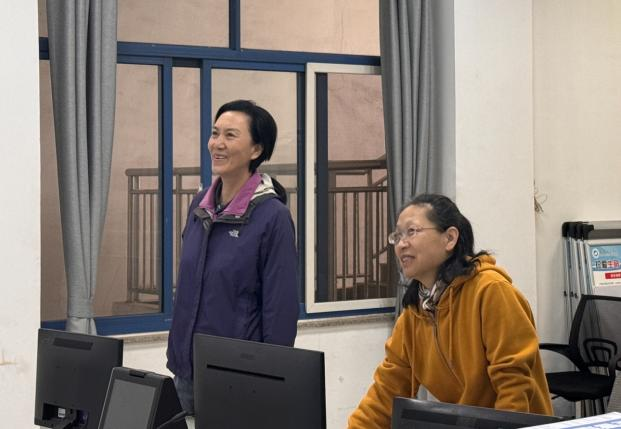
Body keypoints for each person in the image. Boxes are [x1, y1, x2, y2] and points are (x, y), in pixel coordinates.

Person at [348, 193, 553, 428]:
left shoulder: (491, 292)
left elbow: (514, 386)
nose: (401, 244)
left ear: (450, 238)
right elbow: (386, 391)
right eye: (397, 236)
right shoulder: (415, 315)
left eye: (411, 231)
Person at [166, 100, 299, 414]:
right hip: (186, 371)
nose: (218, 143)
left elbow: (280, 309)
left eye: (230, 135)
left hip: (238, 377)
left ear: (256, 150)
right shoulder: (200, 205)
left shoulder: (273, 217)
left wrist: (270, 377)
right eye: (215, 133)